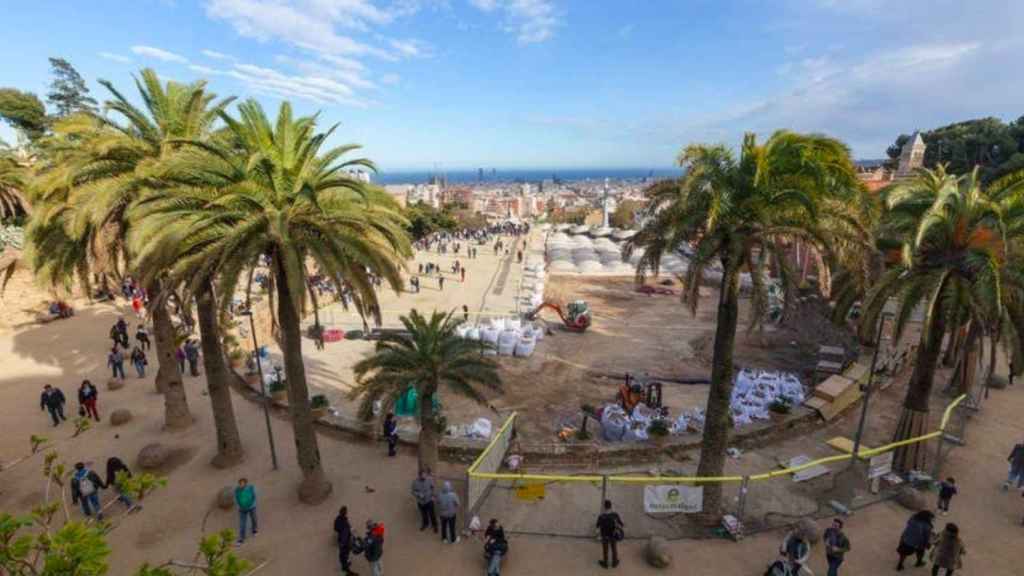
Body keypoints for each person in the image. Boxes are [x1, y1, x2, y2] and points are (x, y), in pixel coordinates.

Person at [595, 499, 623, 569]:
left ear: (604, 507)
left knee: (605, 549)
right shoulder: (615, 515)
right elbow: (621, 524)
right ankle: (614, 563)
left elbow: (597, 526)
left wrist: (598, 535)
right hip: (613, 535)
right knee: (614, 548)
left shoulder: (601, 516)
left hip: (604, 536)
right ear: (611, 506)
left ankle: (605, 563)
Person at [411, 468, 438, 533]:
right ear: (419, 476)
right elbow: (413, 491)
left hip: (429, 500)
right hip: (421, 502)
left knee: (432, 514)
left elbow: (433, 487)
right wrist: (418, 494)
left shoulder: (429, 479)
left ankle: (435, 525)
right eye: (423, 476)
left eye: (425, 475)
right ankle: (425, 524)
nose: (425, 477)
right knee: (424, 514)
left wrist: (433, 496)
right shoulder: (415, 482)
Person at [334, 506, 358, 575]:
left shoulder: (337, 519)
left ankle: (345, 565)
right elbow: (345, 536)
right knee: (344, 556)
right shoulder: (345, 523)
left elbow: (335, 528)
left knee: (343, 556)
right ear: (345, 513)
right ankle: (347, 570)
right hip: (345, 543)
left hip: (341, 541)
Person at [234, 478, 258, 545]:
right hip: (242, 509)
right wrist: (239, 505)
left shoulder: (250, 488)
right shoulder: (237, 490)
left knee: (254, 519)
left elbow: (254, 496)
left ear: (245, 483)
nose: (241, 485)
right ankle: (241, 539)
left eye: (243, 483)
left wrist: (252, 503)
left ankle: (254, 530)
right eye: (240, 483)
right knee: (242, 524)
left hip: (251, 507)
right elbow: (236, 498)